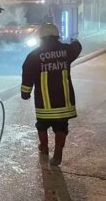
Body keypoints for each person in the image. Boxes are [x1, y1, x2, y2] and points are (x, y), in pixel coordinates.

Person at [21, 23, 82, 166]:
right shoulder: (66, 51)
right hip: (64, 101)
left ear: (40, 38)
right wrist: (75, 40)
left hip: (44, 103)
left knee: (42, 125)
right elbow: (77, 47)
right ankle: (58, 153)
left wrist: (25, 93)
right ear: (57, 36)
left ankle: (44, 147)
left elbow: (27, 75)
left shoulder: (33, 56)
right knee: (61, 127)